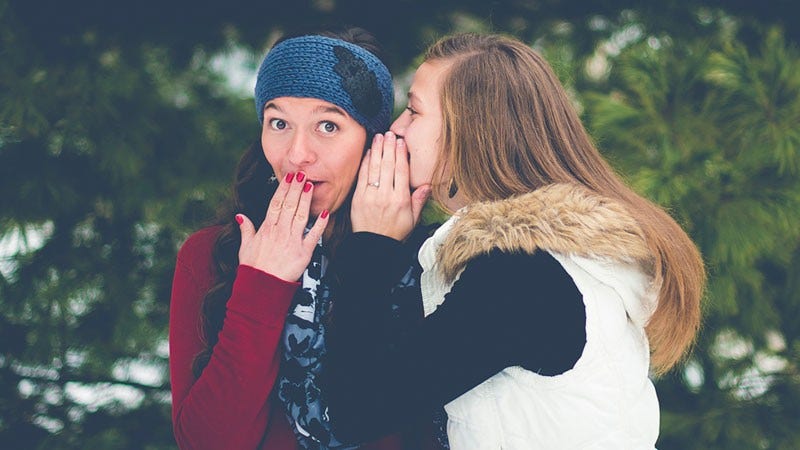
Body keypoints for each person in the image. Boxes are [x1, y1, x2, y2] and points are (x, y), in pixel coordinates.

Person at [320, 32, 706, 449]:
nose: (396, 129)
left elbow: (356, 411)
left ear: (468, 132)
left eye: (413, 111)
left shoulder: (521, 278)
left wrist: (372, 248)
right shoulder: (551, 260)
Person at [168, 26, 434, 449]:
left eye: (328, 126)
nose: (296, 154)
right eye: (278, 122)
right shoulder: (210, 255)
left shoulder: (424, 258)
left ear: (372, 141)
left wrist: (376, 253)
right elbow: (207, 442)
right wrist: (261, 286)